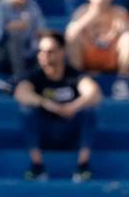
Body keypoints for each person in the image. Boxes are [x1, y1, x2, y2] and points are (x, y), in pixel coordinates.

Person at [15, 29, 100, 181]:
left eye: (50, 52)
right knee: (27, 111)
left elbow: (94, 93)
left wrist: (74, 106)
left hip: (69, 130)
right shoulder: (35, 75)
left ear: (62, 52)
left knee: (89, 111)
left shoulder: (73, 74)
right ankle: (37, 166)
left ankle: (82, 166)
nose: (44, 56)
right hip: (45, 131)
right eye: (40, 51)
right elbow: (21, 93)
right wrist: (46, 103)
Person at [65, 0, 129, 100]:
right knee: (73, 35)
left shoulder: (120, 12)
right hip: (87, 56)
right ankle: (77, 81)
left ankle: (122, 82)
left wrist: (123, 29)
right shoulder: (82, 11)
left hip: (111, 57)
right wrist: (91, 15)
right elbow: (70, 34)